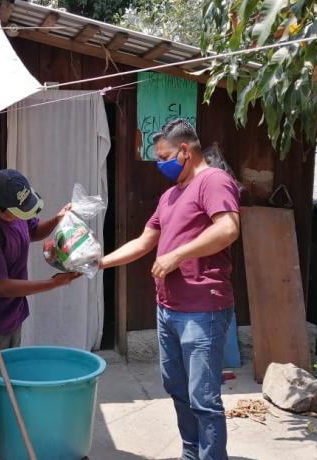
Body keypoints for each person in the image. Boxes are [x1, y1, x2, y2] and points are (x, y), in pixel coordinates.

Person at [100, 119, 240, 460]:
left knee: (203, 399)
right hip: (169, 310)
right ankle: (191, 453)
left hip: (202, 309)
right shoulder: (170, 195)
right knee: (177, 389)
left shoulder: (213, 181)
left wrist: (178, 254)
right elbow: (145, 241)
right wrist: (98, 263)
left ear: (184, 151)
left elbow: (228, 228)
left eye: (163, 156)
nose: (159, 163)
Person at [0, 169, 79, 354]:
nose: (24, 216)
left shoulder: (15, 208)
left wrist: (57, 219)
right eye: (18, 213)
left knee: (11, 376)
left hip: (13, 314)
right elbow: (1, 287)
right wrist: (53, 283)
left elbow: (33, 231)